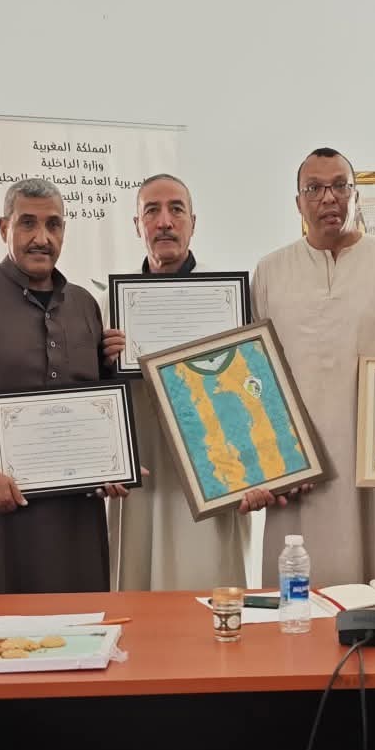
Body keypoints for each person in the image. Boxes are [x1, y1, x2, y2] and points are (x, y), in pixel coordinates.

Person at [248, 149, 375, 585]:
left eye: (340, 186)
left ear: (357, 196)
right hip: (297, 476)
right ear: (298, 202)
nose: (328, 198)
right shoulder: (269, 272)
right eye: (314, 188)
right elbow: (253, 380)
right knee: (298, 598)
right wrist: (272, 462)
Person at [0, 177, 121, 594]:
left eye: (53, 225)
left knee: (81, 623)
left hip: (74, 516)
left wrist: (113, 464)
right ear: (4, 228)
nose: (41, 238)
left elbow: (96, 397)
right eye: (27, 223)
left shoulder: (84, 305)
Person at [102, 174, 248, 591]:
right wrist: (103, 362)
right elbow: (95, 398)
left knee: (209, 589)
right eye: (152, 211)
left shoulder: (229, 301)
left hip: (212, 474)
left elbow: (250, 391)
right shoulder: (110, 307)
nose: (164, 221)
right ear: (137, 225)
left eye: (176, 210)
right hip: (145, 477)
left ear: (193, 222)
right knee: (137, 585)